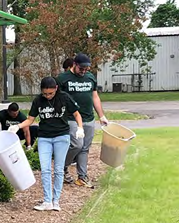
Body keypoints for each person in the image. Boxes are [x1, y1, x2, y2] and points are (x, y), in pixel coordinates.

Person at [9, 77, 84, 211]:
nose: (47, 96)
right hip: (44, 137)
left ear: (56, 88)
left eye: (50, 93)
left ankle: (56, 201)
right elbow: (30, 119)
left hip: (62, 136)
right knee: (45, 169)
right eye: (45, 93)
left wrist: (80, 127)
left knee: (59, 169)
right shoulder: (38, 100)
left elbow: (77, 114)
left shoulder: (64, 97)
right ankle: (47, 200)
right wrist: (18, 126)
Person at [57, 53, 109, 187]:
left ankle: (82, 177)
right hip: (71, 118)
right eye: (81, 69)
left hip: (88, 118)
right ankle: (62, 167)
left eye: (86, 69)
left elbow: (95, 97)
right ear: (74, 64)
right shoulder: (63, 79)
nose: (84, 72)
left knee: (85, 148)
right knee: (77, 145)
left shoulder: (90, 78)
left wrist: (101, 116)